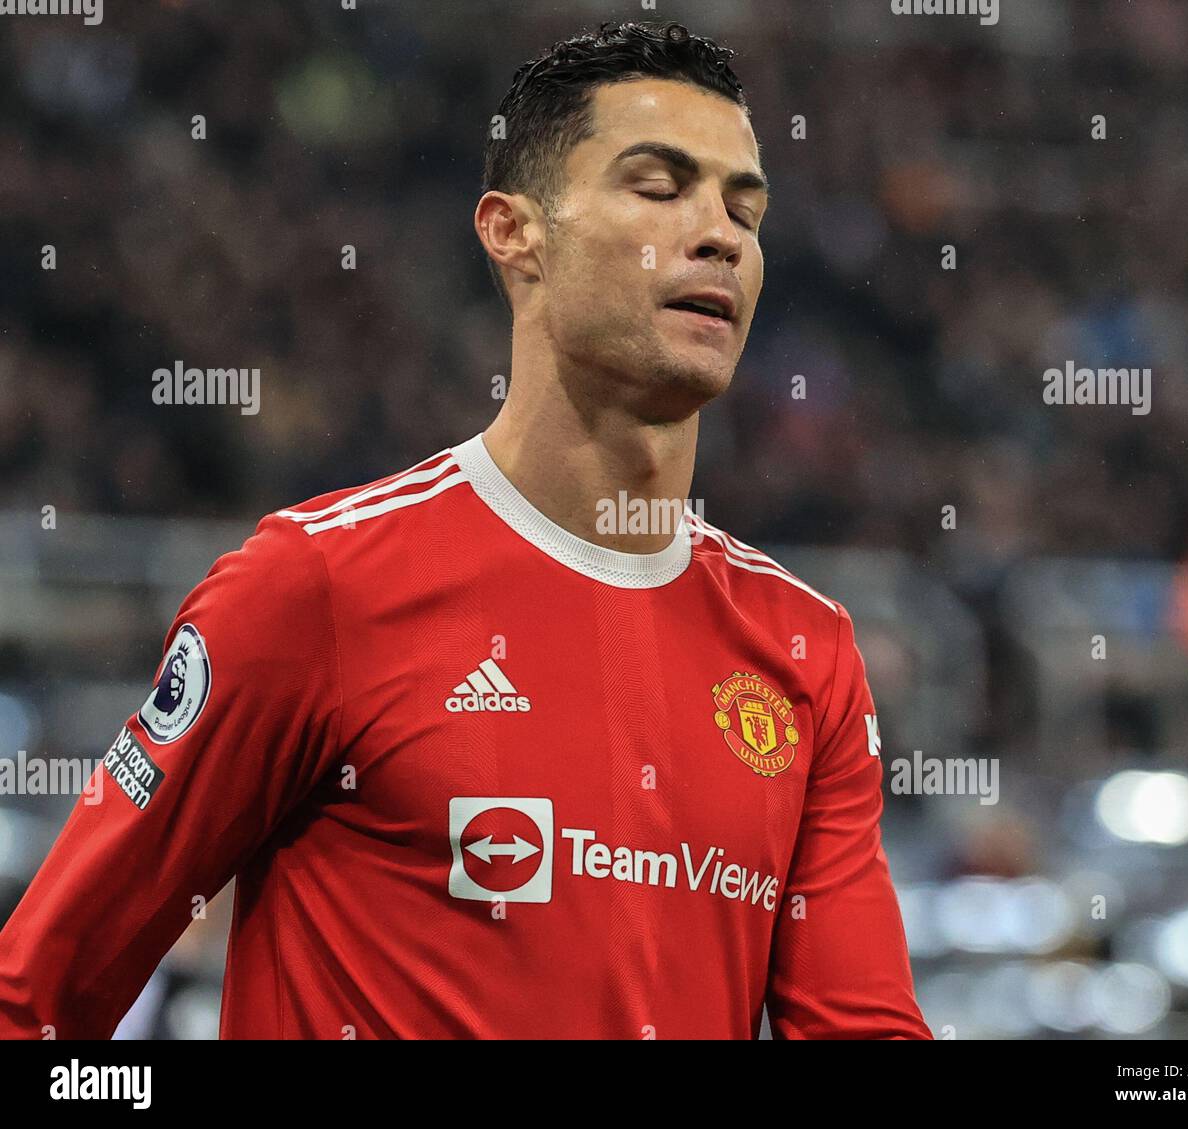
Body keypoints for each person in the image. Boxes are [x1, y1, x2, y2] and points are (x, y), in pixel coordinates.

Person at [0, 20, 930, 1040]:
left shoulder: (806, 651)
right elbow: (37, 1003)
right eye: (659, 187)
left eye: (744, 209)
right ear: (513, 231)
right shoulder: (316, 587)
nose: (720, 233)